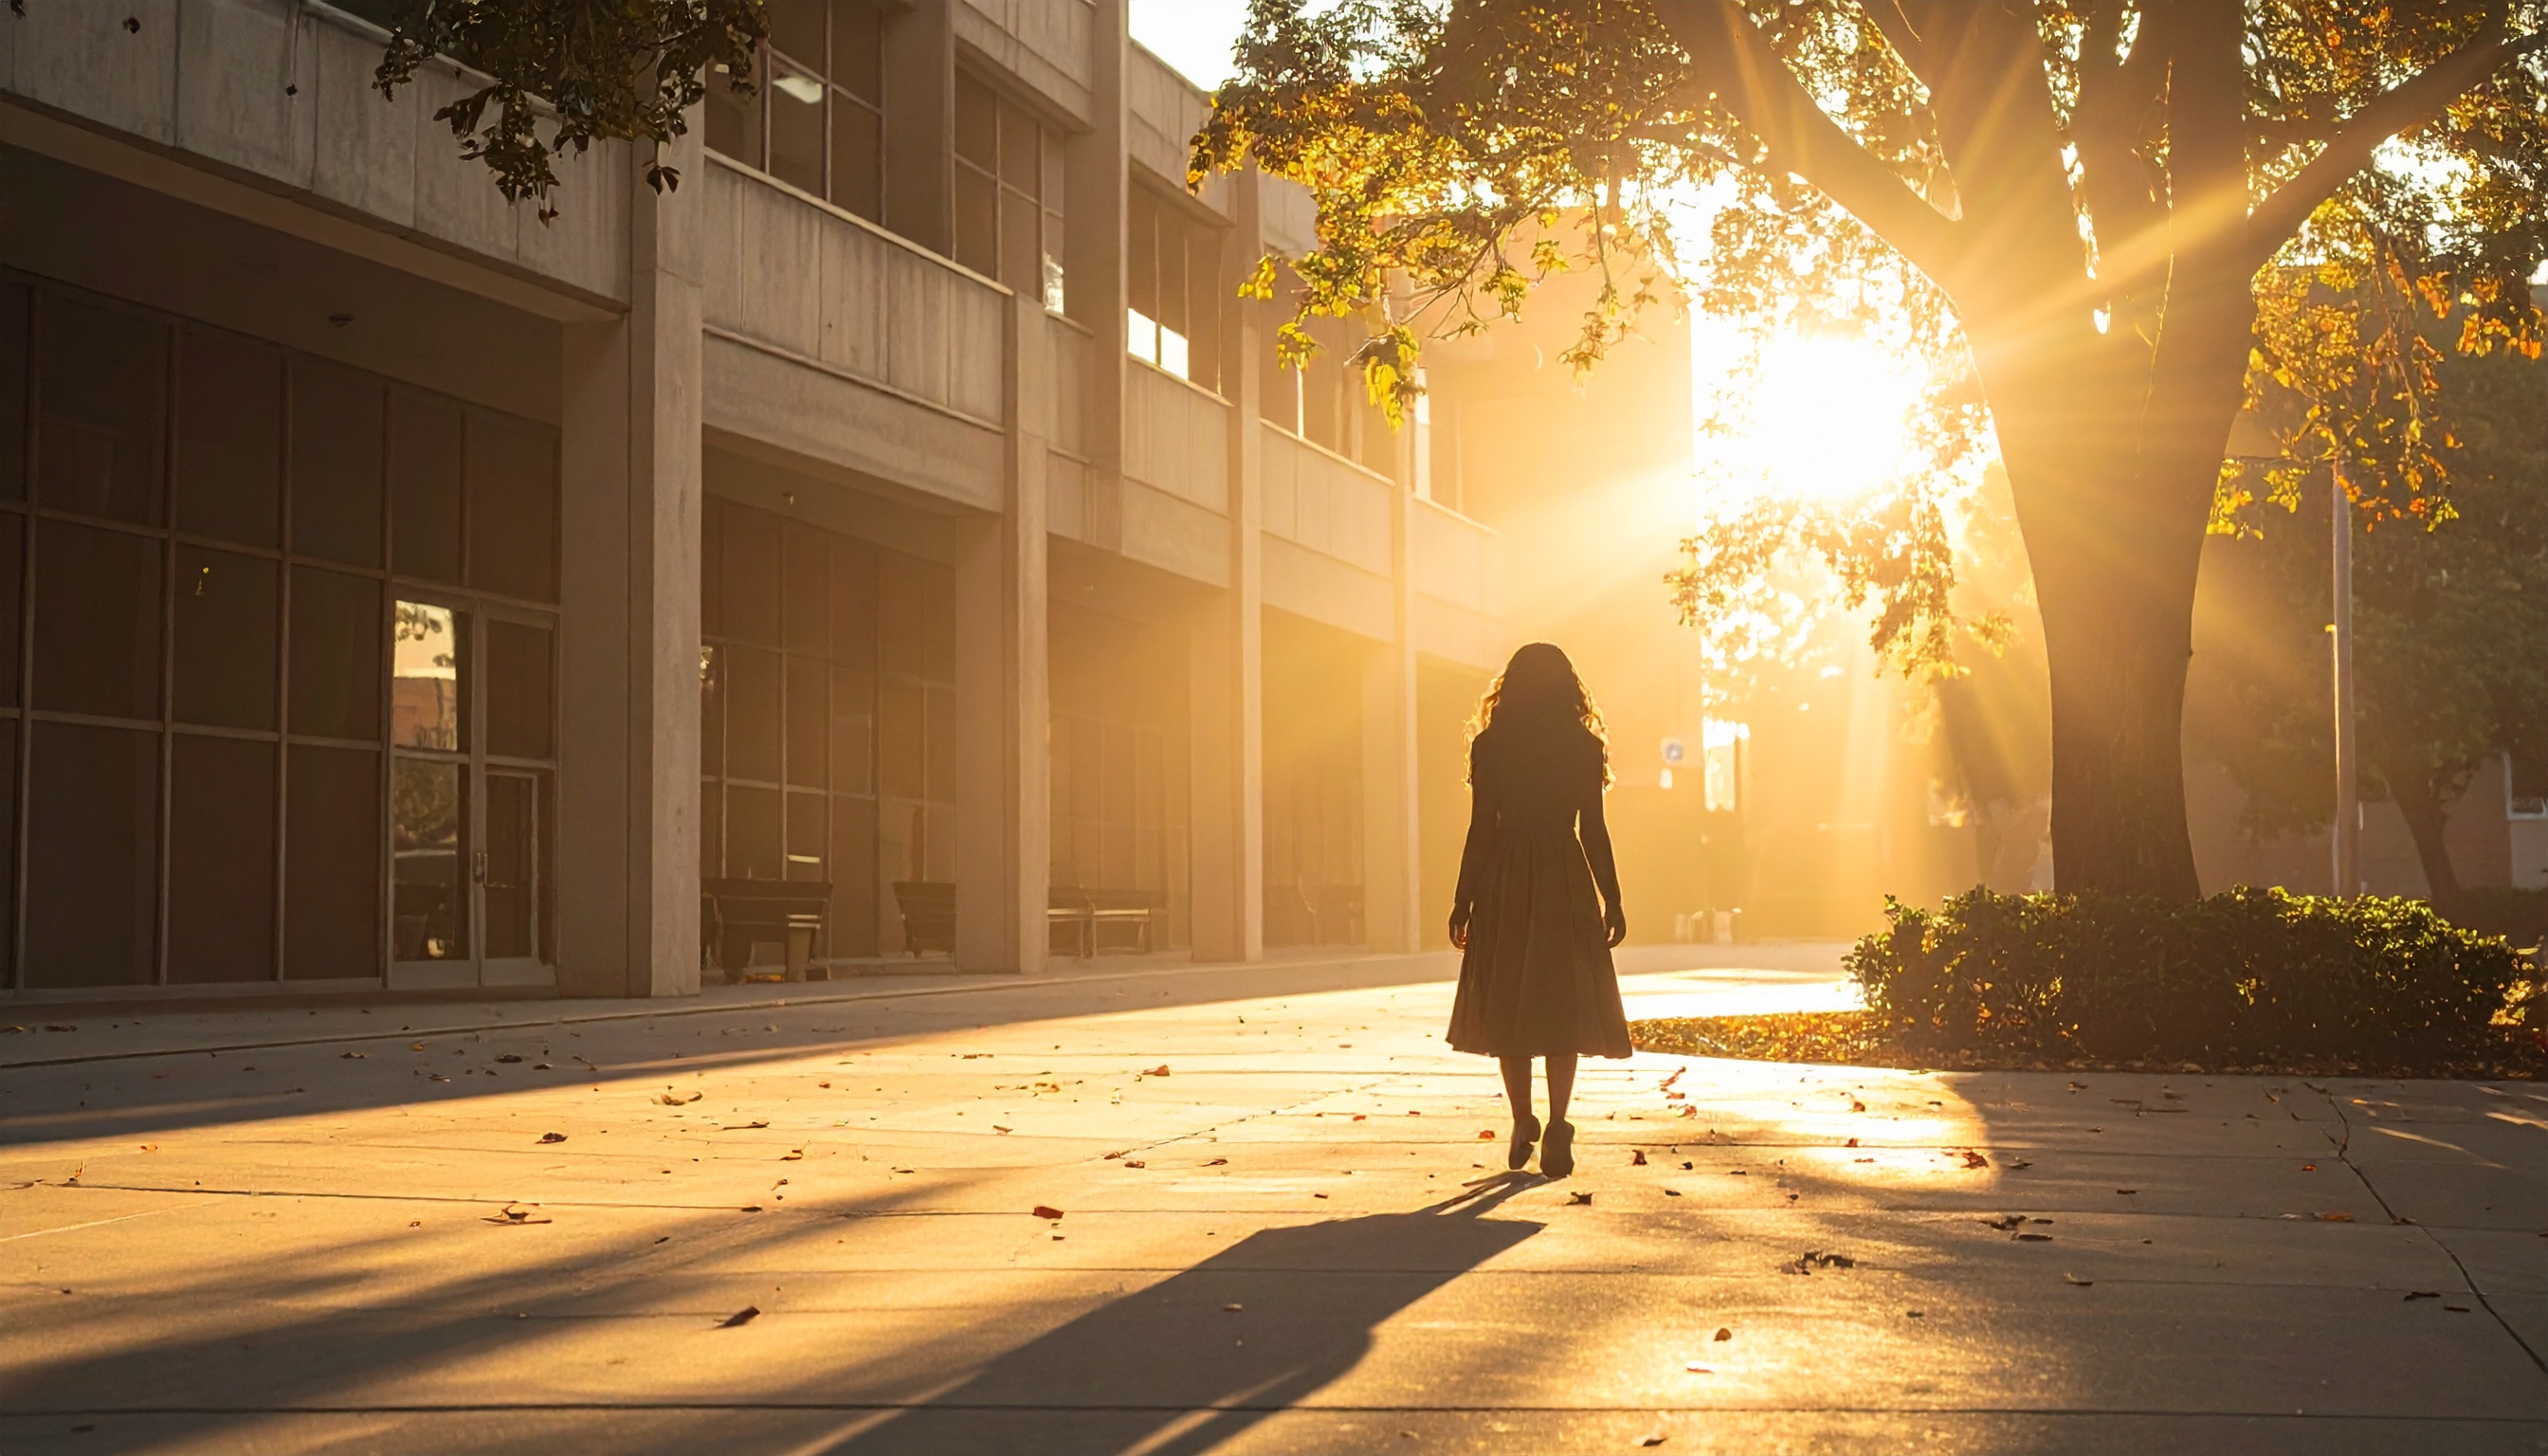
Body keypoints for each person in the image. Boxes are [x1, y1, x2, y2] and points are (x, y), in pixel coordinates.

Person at [1446, 642, 1631, 1178]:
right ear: (1568, 687)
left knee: (1509, 998)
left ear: (1512, 687)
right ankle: (1558, 1123)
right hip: (1562, 876)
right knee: (1561, 1002)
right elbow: (1592, 828)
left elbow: (1482, 827)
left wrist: (1464, 898)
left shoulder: (1491, 744)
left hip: (1505, 876)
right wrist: (1611, 896)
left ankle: (1523, 1118)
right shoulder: (1583, 746)